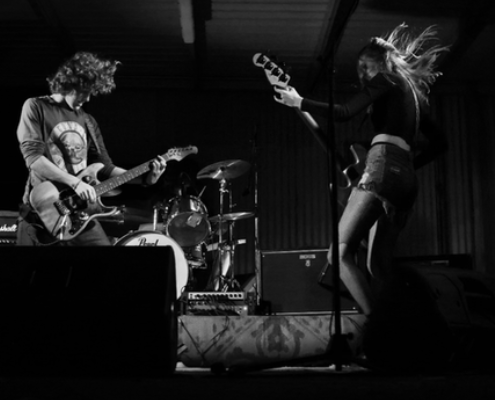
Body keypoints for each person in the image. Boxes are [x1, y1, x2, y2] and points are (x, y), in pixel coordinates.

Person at [273, 24, 449, 317]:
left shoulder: (386, 78)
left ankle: (378, 327)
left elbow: (343, 112)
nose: (363, 74)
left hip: (383, 165)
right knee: (378, 265)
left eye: (365, 67)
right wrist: (405, 168)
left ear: (380, 61)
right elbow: (440, 144)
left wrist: (299, 101)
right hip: (406, 180)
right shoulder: (414, 96)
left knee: (339, 255)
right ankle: (409, 323)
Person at [16, 51, 167, 246]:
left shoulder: (88, 121)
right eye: (85, 91)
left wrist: (145, 178)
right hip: (43, 210)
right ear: (70, 82)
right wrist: (75, 183)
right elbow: (34, 159)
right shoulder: (36, 106)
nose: (88, 99)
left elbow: (104, 167)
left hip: (80, 212)